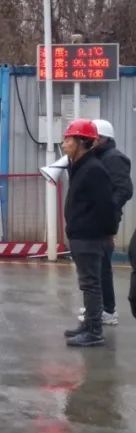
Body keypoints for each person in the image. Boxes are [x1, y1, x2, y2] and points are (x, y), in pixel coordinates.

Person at [60, 119, 116, 347]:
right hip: (81, 235)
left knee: (91, 284)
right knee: (86, 283)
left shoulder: (93, 169)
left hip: (90, 237)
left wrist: (107, 234)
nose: (64, 144)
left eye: (68, 139)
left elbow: (106, 206)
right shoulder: (79, 166)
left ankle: (94, 331)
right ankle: (89, 324)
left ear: (82, 142)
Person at [88, 119, 131, 327]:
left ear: (102, 138)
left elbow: (124, 190)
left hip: (104, 220)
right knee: (95, 266)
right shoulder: (99, 157)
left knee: (102, 265)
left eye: (92, 138)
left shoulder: (113, 158)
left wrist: (106, 211)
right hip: (96, 218)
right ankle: (98, 305)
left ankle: (108, 309)